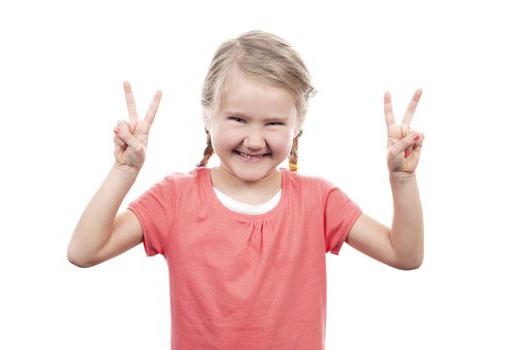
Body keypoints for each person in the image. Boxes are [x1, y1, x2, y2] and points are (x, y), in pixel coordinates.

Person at [67, 30, 424, 350]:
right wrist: (124, 170)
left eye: (273, 123)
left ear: (298, 126)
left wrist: (402, 180)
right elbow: (84, 251)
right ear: (207, 116)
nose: (254, 140)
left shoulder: (319, 201)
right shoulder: (175, 198)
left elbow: (404, 255)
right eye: (238, 119)